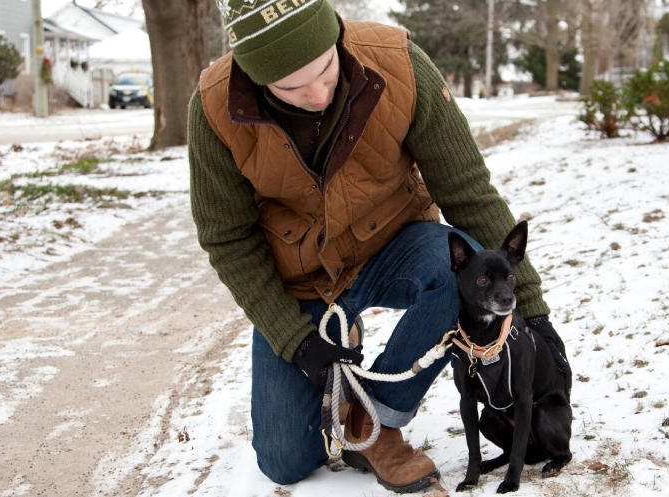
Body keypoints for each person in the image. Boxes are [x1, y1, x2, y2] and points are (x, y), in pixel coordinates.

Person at [187, 0, 571, 492]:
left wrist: (534, 312)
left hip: (396, 249)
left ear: (335, 35)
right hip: (302, 277)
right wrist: (295, 340)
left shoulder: (399, 64)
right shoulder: (217, 106)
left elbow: (468, 191)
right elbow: (228, 237)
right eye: (290, 87)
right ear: (253, 73)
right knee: (285, 461)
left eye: (325, 70)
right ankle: (336, 367)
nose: (319, 95)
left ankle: (374, 425)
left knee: (452, 267)